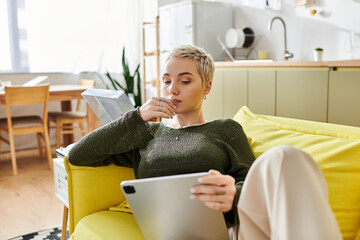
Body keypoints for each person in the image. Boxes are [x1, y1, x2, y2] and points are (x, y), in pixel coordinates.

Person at [68, 45, 341, 240]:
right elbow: (79, 154)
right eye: (166, 81)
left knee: (285, 157)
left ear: (207, 87)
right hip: (168, 233)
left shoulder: (225, 129)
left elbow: (253, 180)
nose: (172, 89)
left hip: (232, 229)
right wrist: (137, 117)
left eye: (185, 81)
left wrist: (234, 194)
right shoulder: (147, 134)